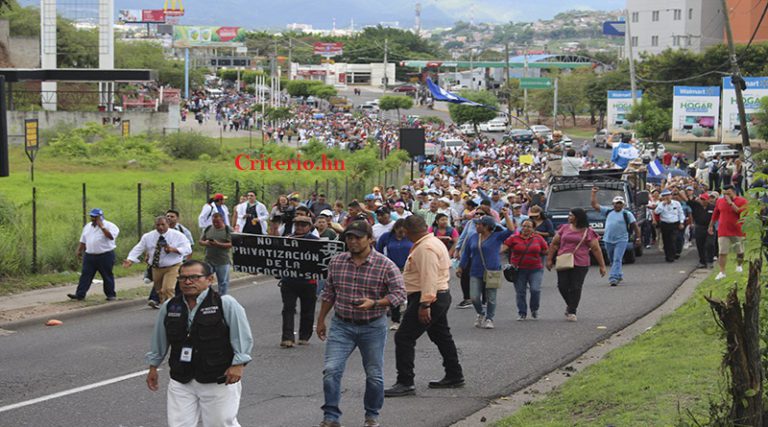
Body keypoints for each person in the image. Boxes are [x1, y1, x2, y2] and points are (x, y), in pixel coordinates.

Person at [315, 220, 406, 427]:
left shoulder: (385, 265)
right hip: (342, 325)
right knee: (331, 370)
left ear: (370, 239)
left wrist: (375, 303)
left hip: (372, 325)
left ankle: (371, 416)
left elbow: (400, 294)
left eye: (358, 237)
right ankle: (331, 417)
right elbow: (329, 293)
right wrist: (320, 320)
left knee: (374, 375)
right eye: (349, 237)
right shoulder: (337, 262)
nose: (353, 241)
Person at [145, 260, 253, 427]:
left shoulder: (225, 303)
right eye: (183, 278)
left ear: (210, 280)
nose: (188, 282)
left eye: (195, 277)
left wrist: (239, 364)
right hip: (181, 378)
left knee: (220, 424)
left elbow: (242, 336)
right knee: (178, 424)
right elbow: (159, 339)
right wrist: (153, 366)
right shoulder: (170, 307)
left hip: (218, 377)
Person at [384, 215, 464, 398]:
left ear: (408, 231)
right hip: (438, 295)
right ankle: (454, 374)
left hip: (428, 297)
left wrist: (425, 303)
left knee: (404, 337)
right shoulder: (432, 242)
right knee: (442, 336)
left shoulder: (426, 248)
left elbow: (429, 277)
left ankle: (405, 381)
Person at [456, 209, 515, 329]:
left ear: (487, 227)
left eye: (479, 224)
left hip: (492, 270)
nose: (476, 226)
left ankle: (489, 318)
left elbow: (510, 230)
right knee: (474, 297)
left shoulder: (497, 237)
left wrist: (506, 215)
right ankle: (481, 313)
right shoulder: (473, 237)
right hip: (475, 271)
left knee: (491, 297)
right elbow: (466, 253)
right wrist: (460, 267)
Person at [546, 208, 606, 322]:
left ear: (578, 218)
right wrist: (549, 259)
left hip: (581, 263)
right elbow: (554, 244)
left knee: (576, 287)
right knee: (562, 285)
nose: (569, 217)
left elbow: (596, 249)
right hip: (564, 260)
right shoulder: (564, 228)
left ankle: (572, 310)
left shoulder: (588, 232)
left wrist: (602, 266)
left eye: (571, 216)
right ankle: (571, 304)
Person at [124, 216, 193, 304]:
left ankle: (172, 309)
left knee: (168, 288)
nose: (160, 227)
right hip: (156, 268)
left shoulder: (178, 235)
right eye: (158, 225)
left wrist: (174, 250)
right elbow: (138, 248)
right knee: (160, 291)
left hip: (173, 266)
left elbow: (188, 249)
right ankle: (165, 305)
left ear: (168, 224)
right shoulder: (148, 236)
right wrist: (130, 260)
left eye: (163, 225)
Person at [279, 215, 319, 348]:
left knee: (308, 310)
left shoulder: (316, 241)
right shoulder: (287, 239)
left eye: (303, 225)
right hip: (289, 280)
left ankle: (304, 336)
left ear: (309, 227)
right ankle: (287, 338)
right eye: (297, 225)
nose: (300, 227)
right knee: (288, 308)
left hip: (309, 282)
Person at [590, 188, 641, 286]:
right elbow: (595, 205)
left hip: (621, 239)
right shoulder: (608, 211)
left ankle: (613, 277)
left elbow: (635, 226)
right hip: (608, 239)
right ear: (613, 204)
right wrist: (593, 194)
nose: (618, 205)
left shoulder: (627, 214)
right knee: (612, 259)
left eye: (620, 203)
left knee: (617, 258)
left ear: (623, 205)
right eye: (616, 203)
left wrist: (638, 238)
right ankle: (618, 273)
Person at [68, 208, 120, 301]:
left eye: (95, 217)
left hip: (105, 255)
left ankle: (110, 294)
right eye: (92, 216)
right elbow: (83, 240)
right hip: (90, 255)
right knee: (85, 275)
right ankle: (80, 294)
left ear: (100, 217)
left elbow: (111, 237)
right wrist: (79, 250)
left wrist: (102, 227)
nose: (93, 218)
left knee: (106, 275)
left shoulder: (110, 225)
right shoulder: (88, 226)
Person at [147, 210, 196, 308]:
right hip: (159, 264)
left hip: (177, 262)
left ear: (177, 219)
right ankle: (159, 300)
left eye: (172, 216)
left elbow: (189, 248)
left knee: (170, 287)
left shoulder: (183, 231)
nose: (169, 218)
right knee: (162, 285)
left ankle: (173, 306)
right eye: (168, 216)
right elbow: (150, 245)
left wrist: (186, 261)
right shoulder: (157, 232)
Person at [502, 219, 549, 320]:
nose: (525, 229)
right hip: (518, 270)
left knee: (535, 290)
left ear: (533, 229)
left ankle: (534, 309)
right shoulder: (514, 238)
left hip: (535, 268)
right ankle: (522, 312)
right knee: (520, 292)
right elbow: (503, 248)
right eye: (524, 226)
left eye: (528, 226)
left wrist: (553, 256)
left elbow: (546, 250)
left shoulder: (538, 238)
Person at [375, 219, 413, 331]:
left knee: (410, 294)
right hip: (392, 269)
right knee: (395, 294)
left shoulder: (410, 237)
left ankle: (409, 320)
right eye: (398, 229)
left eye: (403, 229)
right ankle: (395, 320)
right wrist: (382, 262)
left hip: (408, 269)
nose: (401, 232)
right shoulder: (387, 237)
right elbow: (378, 249)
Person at [709, 184, 747, 280]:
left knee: (740, 250)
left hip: (737, 230)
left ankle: (739, 265)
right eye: (724, 193)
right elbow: (715, 214)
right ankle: (722, 271)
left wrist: (730, 203)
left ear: (733, 191)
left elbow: (740, 212)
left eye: (728, 192)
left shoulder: (742, 201)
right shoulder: (720, 201)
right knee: (722, 252)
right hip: (723, 230)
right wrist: (710, 226)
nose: (726, 195)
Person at [200, 213, 234, 295]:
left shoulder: (228, 230)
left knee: (223, 282)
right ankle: (207, 297)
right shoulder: (208, 228)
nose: (215, 224)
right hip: (208, 260)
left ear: (222, 220)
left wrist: (218, 244)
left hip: (222, 261)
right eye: (213, 222)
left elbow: (231, 244)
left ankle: (222, 298)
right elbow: (200, 241)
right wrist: (206, 243)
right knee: (206, 280)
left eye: (217, 222)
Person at [684, 191, 716, 269]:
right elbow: (687, 200)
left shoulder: (712, 207)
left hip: (710, 227)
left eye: (704, 199)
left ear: (708, 200)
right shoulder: (696, 206)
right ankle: (702, 261)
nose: (702, 201)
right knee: (700, 245)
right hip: (699, 227)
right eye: (701, 199)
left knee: (710, 244)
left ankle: (710, 260)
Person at [654, 189, 685, 263]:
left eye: (668, 195)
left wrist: (681, 222)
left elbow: (680, 213)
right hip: (665, 224)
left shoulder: (676, 203)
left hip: (674, 223)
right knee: (666, 241)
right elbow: (656, 212)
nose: (667, 197)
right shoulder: (661, 204)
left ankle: (673, 254)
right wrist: (663, 204)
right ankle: (668, 256)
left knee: (673, 239)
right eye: (665, 196)